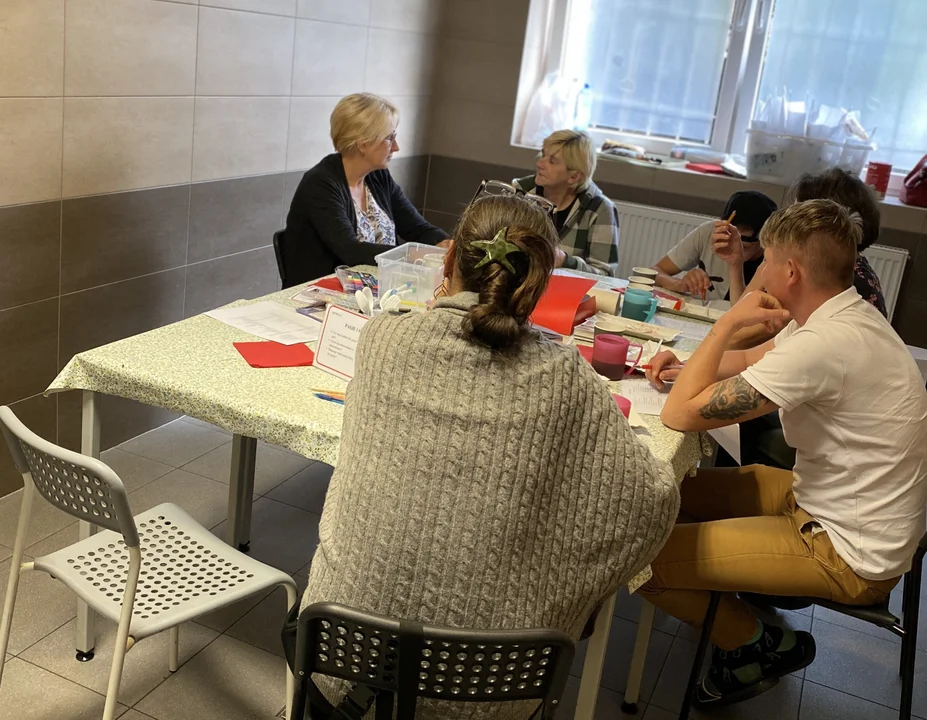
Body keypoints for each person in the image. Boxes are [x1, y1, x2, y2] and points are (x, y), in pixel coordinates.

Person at [300, 194, 680, 719]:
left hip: (340, 654)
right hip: (490, 686)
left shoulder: (382, 338)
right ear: (539, 285)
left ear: (449, 260)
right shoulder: (563, 375)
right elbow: (653, 501)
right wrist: (551, 561)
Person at [641, 199, 927, 709]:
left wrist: (724, 326)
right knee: (666, 489)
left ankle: (756, 643)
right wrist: (685, 362)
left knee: (636, 556)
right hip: (827, 502)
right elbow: (751, 359)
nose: (761, 271)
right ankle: (726, 612)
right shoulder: (839, 314)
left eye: (767, 260)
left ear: (790, 271)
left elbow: (679, 415)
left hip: (848, 550)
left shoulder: (824, 345)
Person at [727, 169, 890, 469]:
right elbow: (745, 336)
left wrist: (765, 267)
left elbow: (738, 332)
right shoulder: (853, 270)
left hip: (832, 436)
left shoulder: (819, 282)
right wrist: (740, 265)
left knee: (731, 417)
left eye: (797, 211)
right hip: (830, 411)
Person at [283, 93, 448, 286]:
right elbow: (351, 251)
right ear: (363, 143)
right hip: (319, 294)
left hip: (376, 289)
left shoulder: (378, 177)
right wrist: (411, 254)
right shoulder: (320, 184)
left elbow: (417, 228)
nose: (396, 147)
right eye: (390, 138)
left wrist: (448, 245)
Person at [512, 130, 620, 276]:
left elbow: (605, 275)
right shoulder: (520, 193)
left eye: (552, 161)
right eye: (543, 155)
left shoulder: (600, 209)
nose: (539, 164)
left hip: (565, 288)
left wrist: (565, 261)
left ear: (574, 177)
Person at [650, 191, 777, 303]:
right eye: (728, 240)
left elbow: (743, 312)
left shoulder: (774, 259)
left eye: (744, 247)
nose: (734, 247)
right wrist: (678, 284)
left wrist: (735, 265)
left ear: (765, 240)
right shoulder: (711, 233)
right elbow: (654, 271)